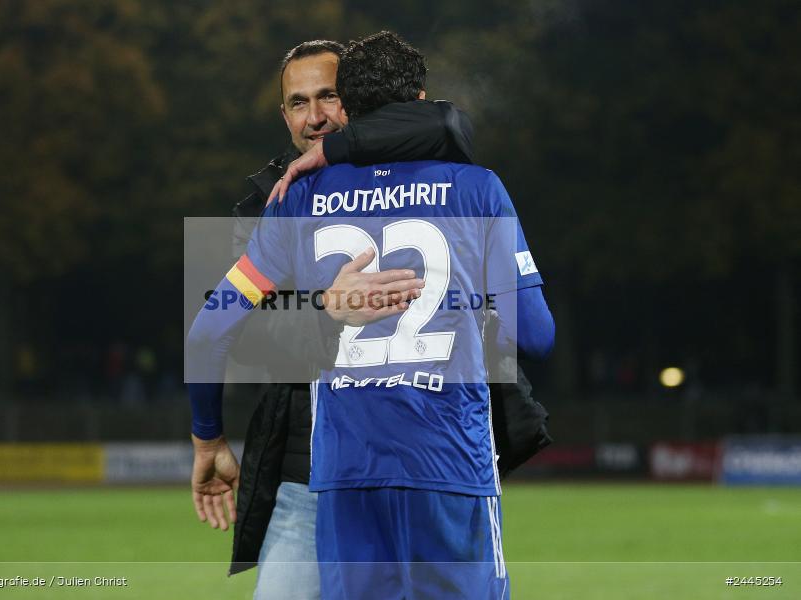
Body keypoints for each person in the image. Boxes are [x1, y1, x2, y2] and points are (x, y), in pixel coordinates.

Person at [187, 31, 554, 599]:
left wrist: (207, 436)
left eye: (327, 98)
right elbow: (535, 334)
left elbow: (209, 331)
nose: (314, 118)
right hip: (414, 460)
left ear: (351, 106)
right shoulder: (472, 188)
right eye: (297, 103)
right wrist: (327, 311)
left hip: (344, 470)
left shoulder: (293, 200)